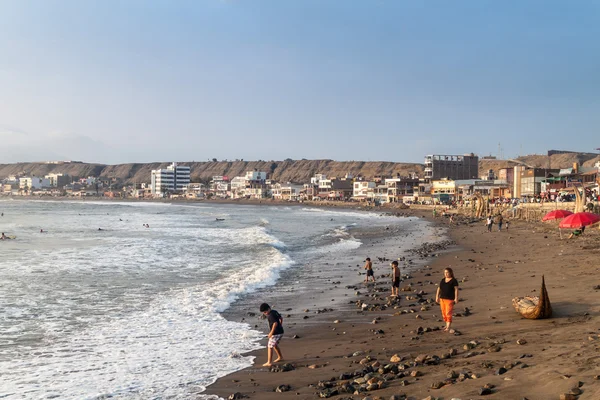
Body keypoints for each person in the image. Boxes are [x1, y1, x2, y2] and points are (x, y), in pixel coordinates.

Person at [259, 303, 284, 367]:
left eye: (265, 311)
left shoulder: (270, 315)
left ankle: (269, 362)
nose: (265, 313)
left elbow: (275, 323)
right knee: (274, 345)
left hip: (275, 333)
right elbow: (281, 318)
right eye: (264, 312)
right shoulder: (274, 311)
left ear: (269, 308)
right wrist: (280, 325)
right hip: (281, 332)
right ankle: (280, 357)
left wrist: (271, 333)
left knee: (270, 346)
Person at [436, 267, 459, 332]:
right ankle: (446, 325)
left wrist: (456, 298)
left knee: (448, 312)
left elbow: (456, 289)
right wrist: (437, 297)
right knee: (443, 313)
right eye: (445, 273)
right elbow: (439, 289)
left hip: (449, 299)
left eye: (447, 272)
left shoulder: (453, 280)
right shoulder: (443, 280)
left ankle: (448, 327)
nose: (446, 274)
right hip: (442, 299)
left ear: (450, 273)